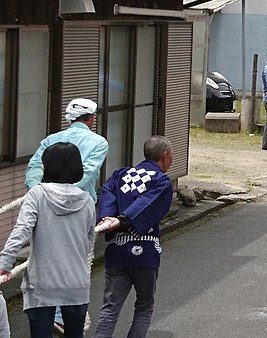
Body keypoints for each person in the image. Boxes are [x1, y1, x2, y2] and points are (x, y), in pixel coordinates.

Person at [0, 142, 95, 338]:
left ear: (50, 166)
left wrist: (5, 262)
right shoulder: (87, 200)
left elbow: (22, 230)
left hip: (42, 283)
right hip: (76, 282)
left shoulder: (37, 194)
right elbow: (88, 241)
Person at [94, 135, 174, 338]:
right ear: (165, 156)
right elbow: (148, 203)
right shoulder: (161, 180)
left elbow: (107, 194)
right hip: (145, 252)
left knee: (110, 309)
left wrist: (106, 218)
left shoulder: (120, 175)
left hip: (117, 251)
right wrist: (124, 220)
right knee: (144, 307)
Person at [26, 98, 109, 202]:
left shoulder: (51, 139)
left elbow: (35, 166)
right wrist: (64, 194)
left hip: (45, 200)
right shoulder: (99, 142)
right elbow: (88, 172)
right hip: (80, 201)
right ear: (92, 118)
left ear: (71, 118)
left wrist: (35, 190)